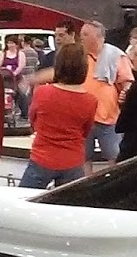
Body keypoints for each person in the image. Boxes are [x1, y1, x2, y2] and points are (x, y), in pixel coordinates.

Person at [20, 43, 95, 189]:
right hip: (73, 160)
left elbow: (33, 120)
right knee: (69, 201)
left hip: (43, 157)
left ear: (58, 65)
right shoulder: (91, 100)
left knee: (24, 197)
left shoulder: (43, 93)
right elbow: (85, 131)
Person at [79, 20, 132, 171]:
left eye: (85, 34)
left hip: (108, 116)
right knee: (83, 157)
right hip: (82, 116)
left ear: (98, 36)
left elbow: (126, 82)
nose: (81, 37)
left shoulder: (116, 55)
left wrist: (125, 93)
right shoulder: (78, 56)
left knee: (115, 157)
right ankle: (87, 184)